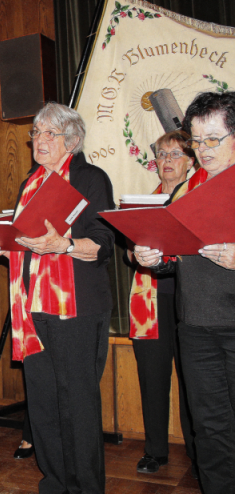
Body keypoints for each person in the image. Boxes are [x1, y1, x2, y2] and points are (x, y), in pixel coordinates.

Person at [0, 102, 115, 494]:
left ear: (71, 140)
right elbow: (27, 240)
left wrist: (65, 244)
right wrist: (6, 249)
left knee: (77, 402)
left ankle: (86, 487)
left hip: (76, 307)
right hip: (32, 306)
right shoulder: (31, 181)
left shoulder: (90, 178)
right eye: (35, 134)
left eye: (48, 134)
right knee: (42, 402)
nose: (38, 141)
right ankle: (55, 481)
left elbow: (104, 243)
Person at [134, 91, 235, 493]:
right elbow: (174, 261)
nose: (202, 150)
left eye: (213, 139)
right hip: (194, 327)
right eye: (197, 140)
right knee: (209, 429)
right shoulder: (185, 190)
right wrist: (154, 256)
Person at [128, 130, 196, 475]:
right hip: (150, 300)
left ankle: (199, 451)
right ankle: (155, 449)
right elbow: (130, 251)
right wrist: (132, 249)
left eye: (175, 155)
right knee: (151, 376)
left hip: (190, 300)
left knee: (193, 379)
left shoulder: (198, 197)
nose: (167, 162)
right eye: (162, 155)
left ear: (191, 161)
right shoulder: (144, 202)